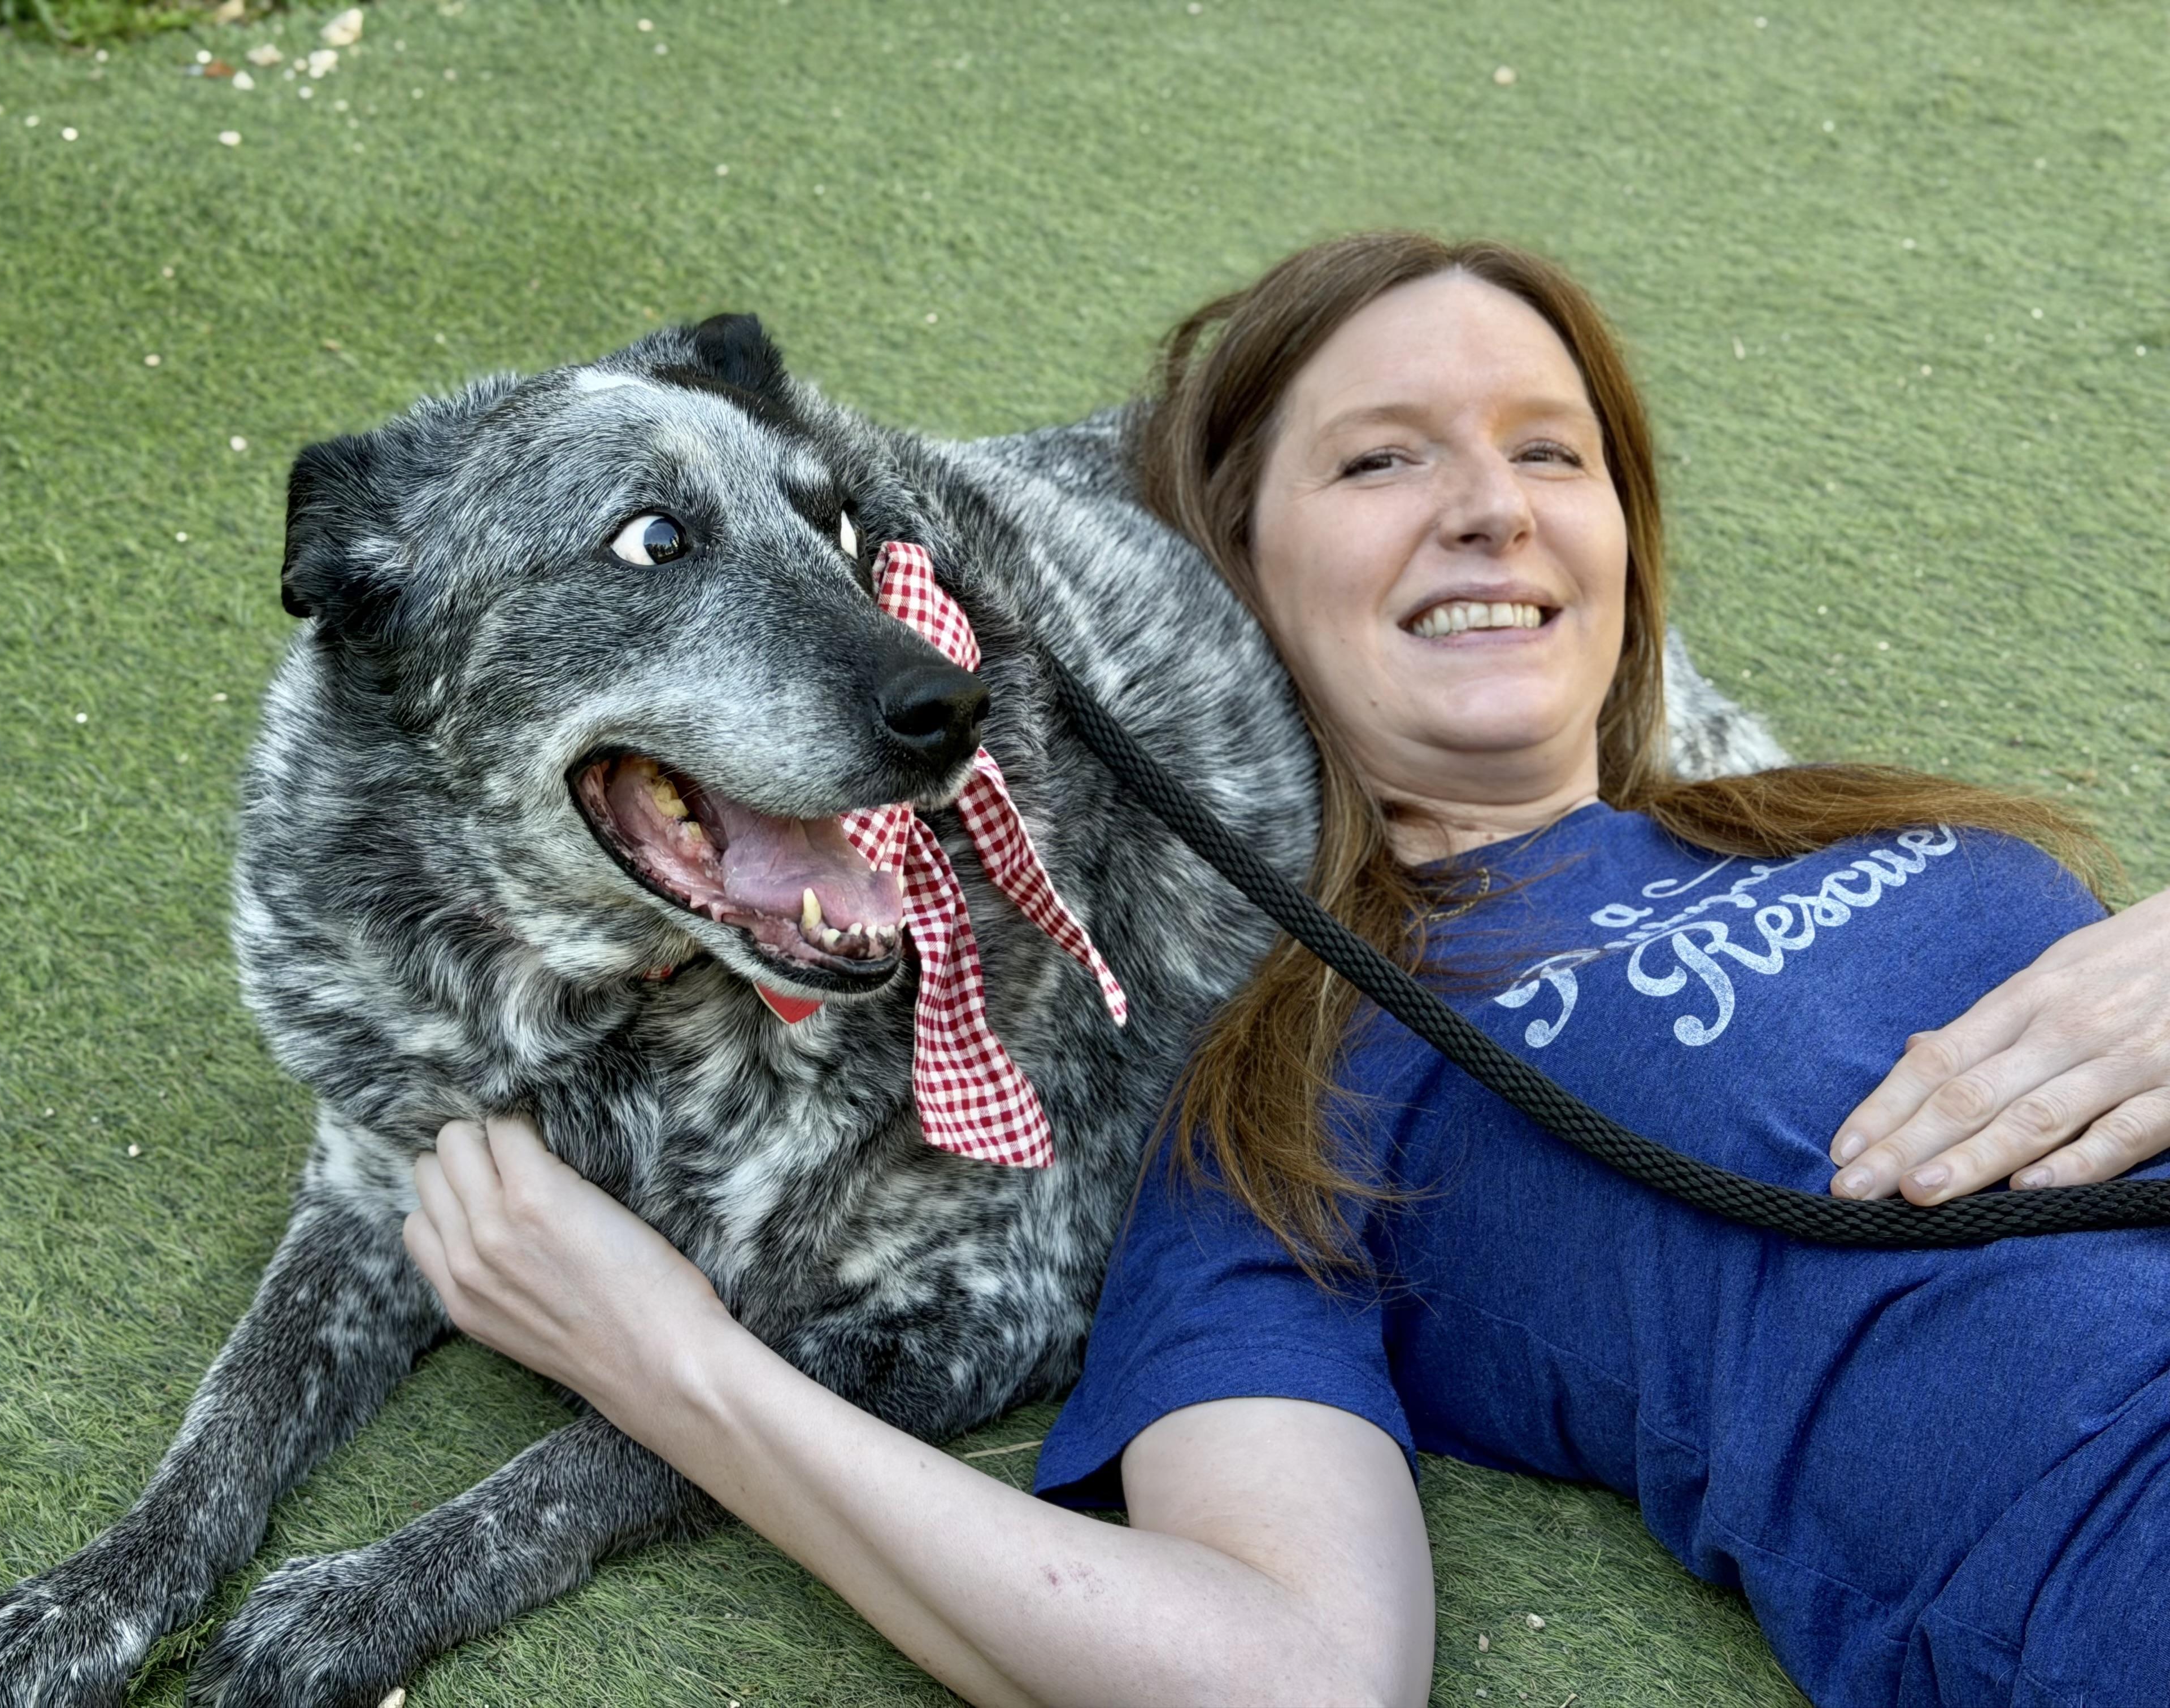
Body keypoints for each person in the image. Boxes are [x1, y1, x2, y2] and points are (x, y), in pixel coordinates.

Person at [401, 233, 2170, 1708]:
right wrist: (679, 1373)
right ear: (1234, 569)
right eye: (1383, 460)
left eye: (1554, 454)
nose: (1492, 507)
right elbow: (1294, 1673)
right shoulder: (1293, 1091)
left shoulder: (1857, 823)